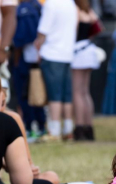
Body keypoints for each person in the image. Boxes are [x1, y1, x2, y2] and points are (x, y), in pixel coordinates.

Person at [34, 0, 77, 141]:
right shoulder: (71, 4)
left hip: (52, 54)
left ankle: (55, 130)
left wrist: (38, 46)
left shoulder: (51, 4)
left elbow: (43, 31)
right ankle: (68, 129)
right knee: (66, 95)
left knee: (54, 95)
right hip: (67, 54)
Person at [13, 0, 46, 141]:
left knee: (26, 94)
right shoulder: (39, 7)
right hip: (40, 58)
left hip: (25, 60)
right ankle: (40, 126)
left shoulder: (23, 9)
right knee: (37, 92)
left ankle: (30, 127)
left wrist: (15, 58)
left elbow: (20, 39)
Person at [72, 0, 101, 141]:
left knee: (77, 91)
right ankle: (88, 128)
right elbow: (97, 28)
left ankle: (80, 128)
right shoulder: (89, 11)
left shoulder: (75, 10)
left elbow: (72, 31)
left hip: (78, 51)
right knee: (85, 91)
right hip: (88, 50)